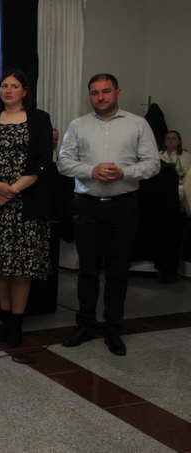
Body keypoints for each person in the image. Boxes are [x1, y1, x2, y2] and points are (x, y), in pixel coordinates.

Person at [58, 73, 160, 356]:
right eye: (95, 92)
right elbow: (64, 163)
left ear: (118, 92)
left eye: (105, 91)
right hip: (87, 205)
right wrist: (91, 170)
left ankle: (113, 329)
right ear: (89, 95)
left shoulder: (138, 124)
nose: (100, 97)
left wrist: (123, 173)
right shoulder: (78, 125)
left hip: (123, 205)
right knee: (87, 270)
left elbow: (153, 164)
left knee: (117, 271)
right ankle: (85, 325)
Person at [0, 69, 53, 348]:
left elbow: (43, 162)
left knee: (21, 268)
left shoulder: (39, 119)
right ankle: (5, 317)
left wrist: (12, 190)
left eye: (14, 86)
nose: (7, 90)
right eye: (4, 86)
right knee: (1, 265)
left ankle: (17, 321)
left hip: (25, 203)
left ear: (25, 91)